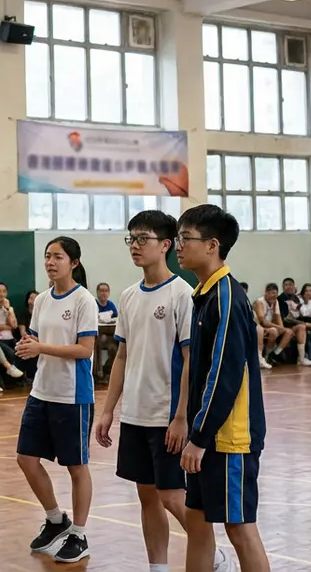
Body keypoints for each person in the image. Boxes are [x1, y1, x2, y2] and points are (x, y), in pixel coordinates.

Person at [93, 211, 233, 572]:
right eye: (132, 239)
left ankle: (215, 557)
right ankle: (158, 566)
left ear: (166, 244)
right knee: (147, 496)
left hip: (167, 415)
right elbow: (122, 356)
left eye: (144, 239)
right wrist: (108, 411)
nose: (135, 246)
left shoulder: (182, 294)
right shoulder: (128, 296)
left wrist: (181, 417)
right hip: (135, 414)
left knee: (172, 496)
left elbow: (190, 361)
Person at [175, 204, 270, 572]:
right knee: (197, 521)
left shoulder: (227, 297)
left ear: (212, 245)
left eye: (186, 238)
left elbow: (224, 376)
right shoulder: (203, 293)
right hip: (207, 434)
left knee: (239, 527)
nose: (179, 246)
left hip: (230, 437)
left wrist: (199, 437)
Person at [15, 236, 97, 564]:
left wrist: (41, 348)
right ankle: (55, 520)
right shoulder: (42, 299)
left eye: (58, 257)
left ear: (74, 263)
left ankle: (79, 534)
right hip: (41, 392)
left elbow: (85, 350)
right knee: (26, 458)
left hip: (72, 396)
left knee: (76, 466)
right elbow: (36, 338)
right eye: (47, 256)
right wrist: (27, 345)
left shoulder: (84, 300)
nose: (50, 262)